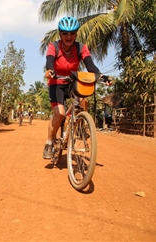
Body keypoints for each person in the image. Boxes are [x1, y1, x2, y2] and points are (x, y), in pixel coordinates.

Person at [42, 16, 110, 159]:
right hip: (56, 83)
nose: (69, 36)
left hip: (73, 82)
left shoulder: (81, 48)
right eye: (65, 33)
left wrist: (101, 76)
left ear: (76, 34)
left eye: (72, 33)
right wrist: (50, 71)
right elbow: (49, 61)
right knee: (59, 113)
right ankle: (49, 142)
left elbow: (91, 66)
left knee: (84, 100)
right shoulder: (53, 46)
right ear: (60, 34)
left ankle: (79, 123)